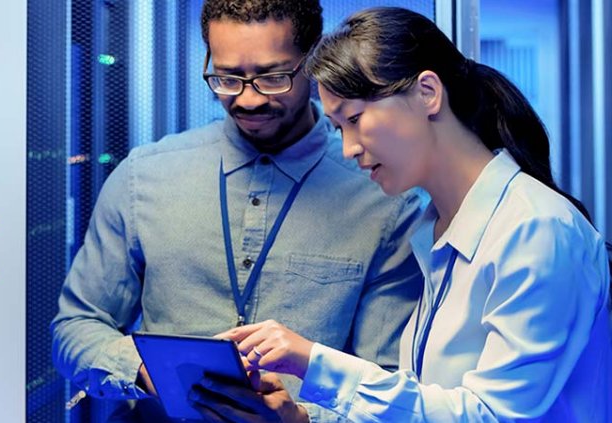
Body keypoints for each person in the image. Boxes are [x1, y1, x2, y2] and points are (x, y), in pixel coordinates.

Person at [200, 6, 612, 422]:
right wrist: (298, 418)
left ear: (427, 93)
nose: (349, 148)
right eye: (339, 128)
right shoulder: (435, 231)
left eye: (356, 119)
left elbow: (492, 415)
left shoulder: (535, 228)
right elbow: (428, 406)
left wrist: (314, 362)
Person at [51, 1, 424, 421]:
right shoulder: (143, 177)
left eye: (272, 77)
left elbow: (389, 387)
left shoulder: (383, 200)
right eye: (227, 78)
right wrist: (143, 370)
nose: (247, 100)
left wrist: (300, 418)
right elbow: (75, 327)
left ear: (316, 62)